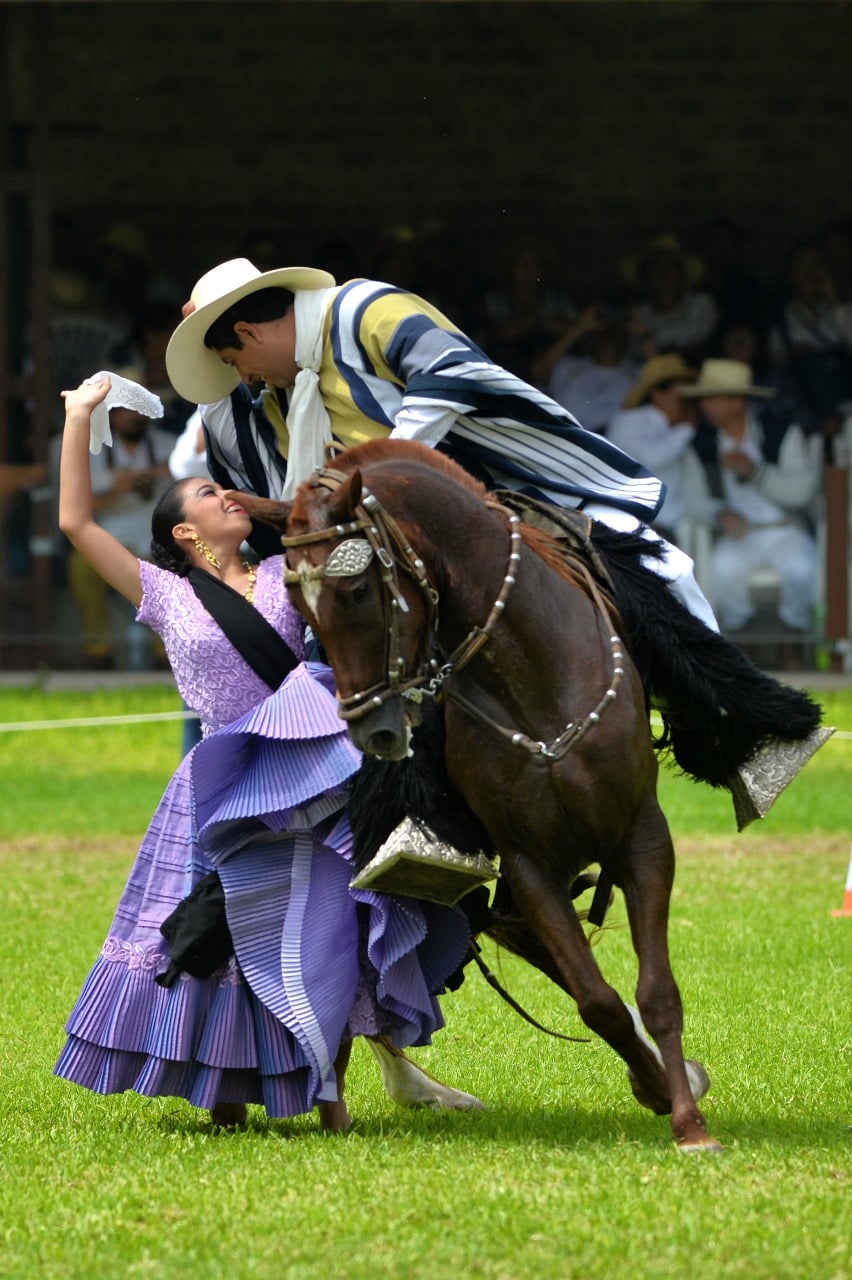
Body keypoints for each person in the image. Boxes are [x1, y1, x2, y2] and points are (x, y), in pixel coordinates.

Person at [164, 257, 831, 827]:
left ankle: (736, 726)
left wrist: (381, 473)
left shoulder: (363, 308)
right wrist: (208, 366)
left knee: (659, 563)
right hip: (414, 552)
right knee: (362, 646)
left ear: (252, 329)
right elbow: (251, 467)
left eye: (235, 357)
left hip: (521, 489)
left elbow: (449, 369)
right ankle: (419, 826)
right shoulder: (284, 398)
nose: (245, 376)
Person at [53, 375, 480, 1132]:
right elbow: (76, 521)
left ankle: (330, 1096)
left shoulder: (291, 570)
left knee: (332, 925)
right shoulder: (162, 593)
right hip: (225, 781)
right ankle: (222, 1094)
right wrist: (81, 415)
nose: (228, 498)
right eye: (211, 495)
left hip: (314, 769)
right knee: (221, 933)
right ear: (185, 534)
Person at [678, 358, 822, 663]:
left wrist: (755, 472)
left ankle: (791, 644)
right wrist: (720, 513)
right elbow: (692, 499)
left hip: (785, 528)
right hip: (740, 534)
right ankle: (742, 651)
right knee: (723, 570)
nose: (705, 405)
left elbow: (800, 491)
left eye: (713, 397)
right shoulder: (701, 444)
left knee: (802, 568)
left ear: (737, 401)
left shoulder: (782, 433)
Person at [48, 367, 175, 669]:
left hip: (157, 543)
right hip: (110, 542)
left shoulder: (170, 445)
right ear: (110, 414)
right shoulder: (88, 448)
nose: (131, 416)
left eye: (136, 409)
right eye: (122, 410)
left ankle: (166, 654)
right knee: (80, 567)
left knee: (172, 569)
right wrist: (118, 489)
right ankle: (98, 649)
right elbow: (73, 507)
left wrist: (156, 474)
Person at [606, 354, 714, 542]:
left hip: (676, 525)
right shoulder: (627, 423)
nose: (688, 401)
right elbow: (652, 458)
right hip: (637, 527)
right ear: (658, 395)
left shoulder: (676, 432)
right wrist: (687, 426)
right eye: (681, 394)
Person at [621, 232, 719, 365]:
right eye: (655, 266)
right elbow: (634, 352)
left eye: (670, 266)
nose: (663, 273)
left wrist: (647, 338)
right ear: (645, 275)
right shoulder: (638, 314)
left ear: (682, 273)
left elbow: (696, 337)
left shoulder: (700, 304)